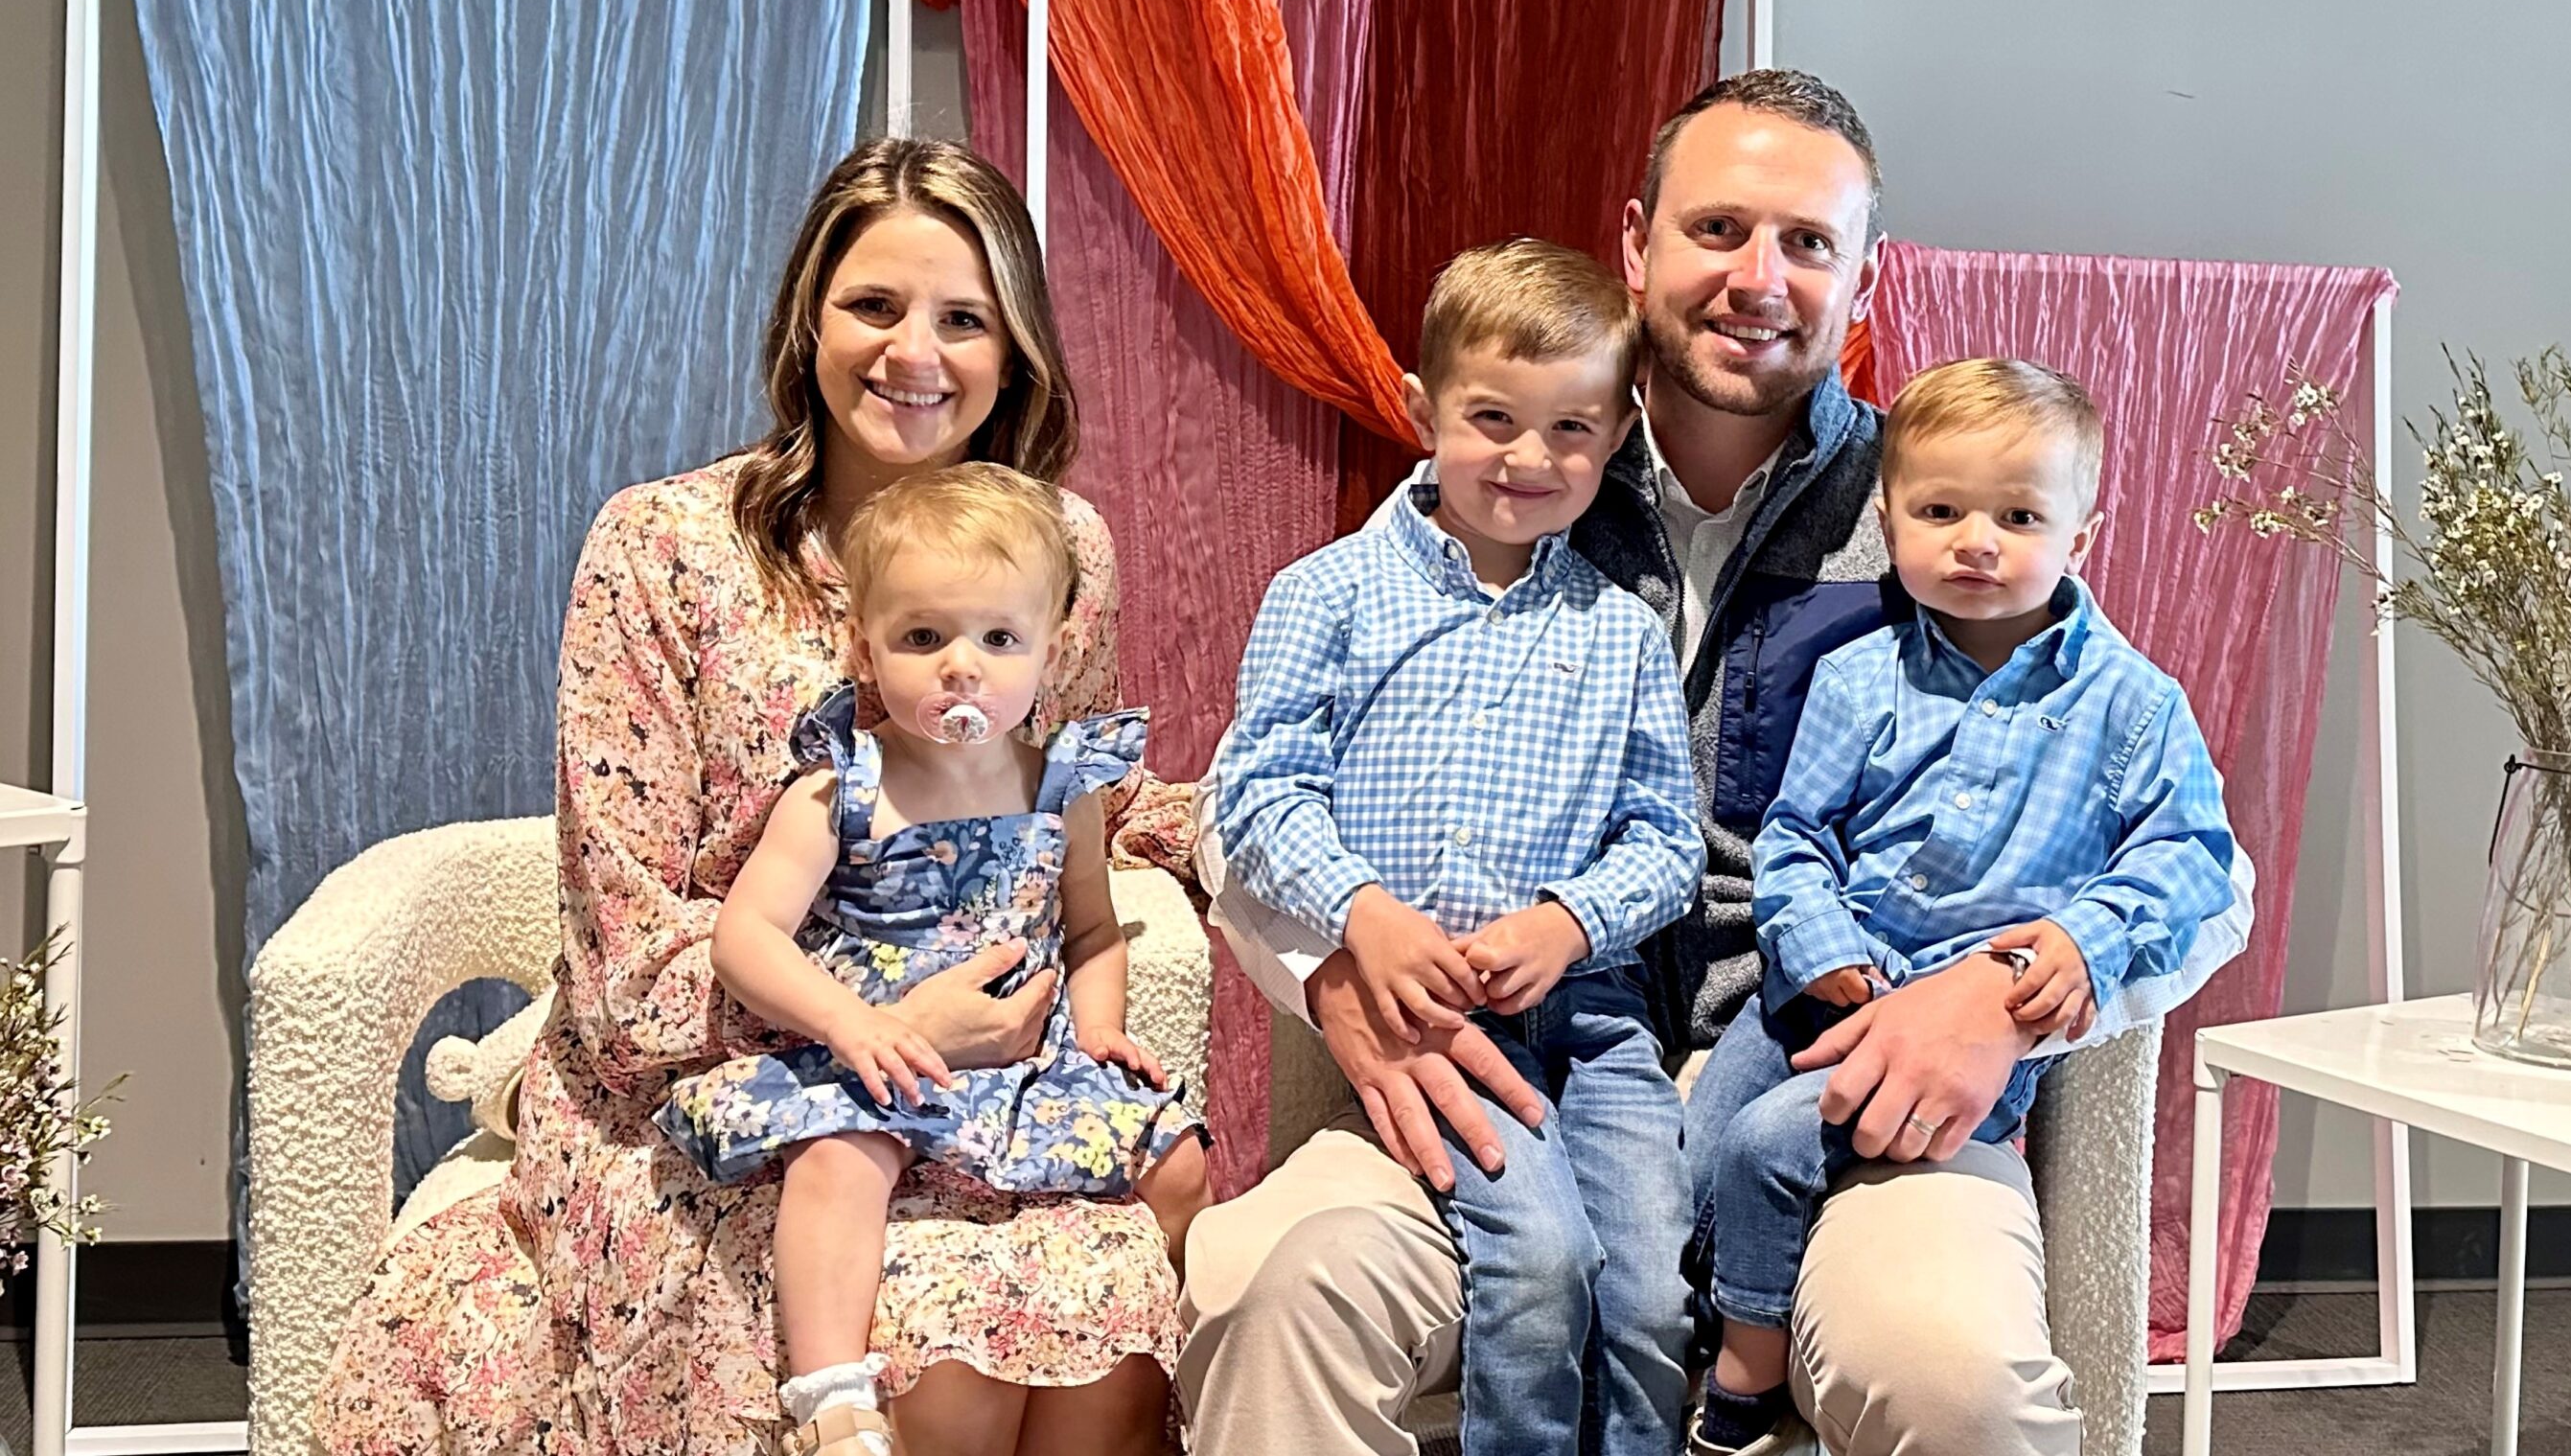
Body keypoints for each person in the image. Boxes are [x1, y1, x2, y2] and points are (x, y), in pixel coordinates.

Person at [1180, 69, 2257, 1456]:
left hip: (1843, 1079)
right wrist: (1332, 970)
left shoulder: (1946, 507)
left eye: (1808, 242)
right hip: (1505, 1062)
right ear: (1637, 246)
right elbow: (1242, 806)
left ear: (1863, 283)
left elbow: (2201, 867)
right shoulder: (1517, 468)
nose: (1760, 278)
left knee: (1958, 1383)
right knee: (1273, 1288)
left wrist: (2005, 997)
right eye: (1719, 229)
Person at [314, 139, 1200, 1456]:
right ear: (808, 320)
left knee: (1116, 1320)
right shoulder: (664, 549)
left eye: (965, 319)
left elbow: (1052, 806)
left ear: (1017, 349)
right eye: (874, 305)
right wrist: (888, 1028)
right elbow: (624, 956)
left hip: (997, 1092)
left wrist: (1245, 838)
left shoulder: (1063, 547)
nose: (915, 353)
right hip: (728, 1083)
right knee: (936, 1364)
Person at [1685, 358, 2238, 1453]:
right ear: (1889, 522)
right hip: (1809, 996)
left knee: (1762, 1148)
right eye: (1941, 512)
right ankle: (1705, 1324)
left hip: (1962, 1040)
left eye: (2019, 517)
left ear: (2082, 537)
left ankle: (1743, 1390)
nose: (1977, 542)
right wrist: (1818, 944)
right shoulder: (1859, 676)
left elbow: (2197, 858)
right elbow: (1795, 838)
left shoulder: (2131, 704)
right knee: (1687, 1164)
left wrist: (2082, 938)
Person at [1209, 240, 1702, 1456]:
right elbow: (1259, 795)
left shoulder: (1623, 632)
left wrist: (1571, 922)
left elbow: (1667, 840)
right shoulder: (1326, 594)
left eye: (1572, 430)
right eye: (1493, 419)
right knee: (1539, 1262)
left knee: (1652, 1292)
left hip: (1597, 1021)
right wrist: (1363, 913)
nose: (1530, 459)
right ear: (1423, 410)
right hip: (1439, 1020)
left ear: (1619, 435)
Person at [656, 464, 1211, 1456]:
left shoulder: (1063, 792)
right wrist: (848, 1024)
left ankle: (1173, 1356)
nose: (961, 667)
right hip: (882, 1050)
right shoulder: (843, 792)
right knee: (839, 1160)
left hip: (1024, 1059)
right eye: (923, 638)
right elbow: (746, 936)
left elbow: (1091, 930)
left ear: (1050, 651)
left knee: (1181, 1161)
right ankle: (831, 1398)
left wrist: (1100, 1030)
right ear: (863, 648)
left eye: (998, 639)